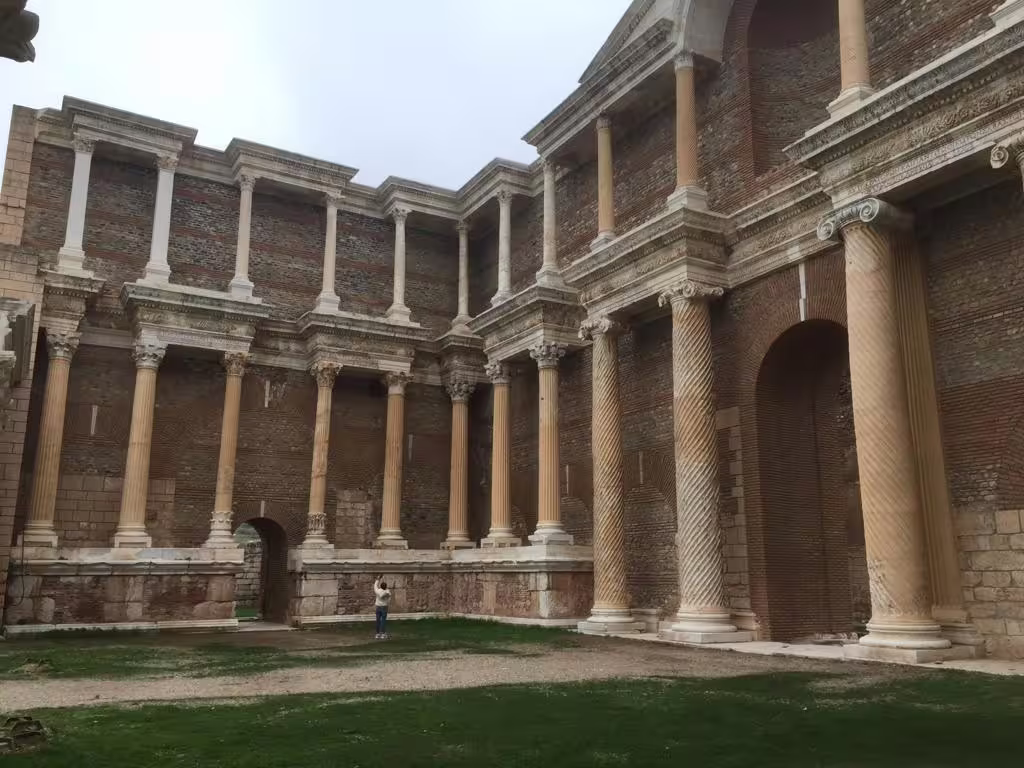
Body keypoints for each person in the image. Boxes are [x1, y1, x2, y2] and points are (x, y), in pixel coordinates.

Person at [373, 575, 392, 640]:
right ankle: (383, 634)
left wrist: (378, 579)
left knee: (378, 620)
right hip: (384, 607)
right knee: (383, 620)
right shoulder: (387, 592)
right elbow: (389, 594)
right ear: (385, 587)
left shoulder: (377, 591)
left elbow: (375, 586)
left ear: (380, 586)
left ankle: (377, 634)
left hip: (378, 607)